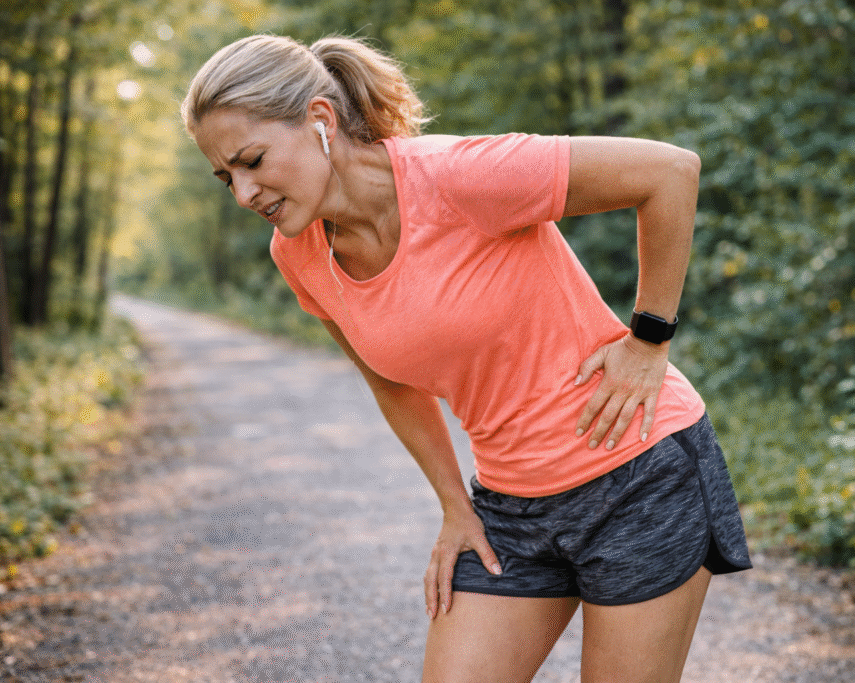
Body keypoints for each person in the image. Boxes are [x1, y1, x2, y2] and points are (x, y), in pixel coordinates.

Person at [181, 33, 751, 683]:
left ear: (320, 120)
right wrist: (454, 502)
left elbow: (669, 172)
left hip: (638, 472)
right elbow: (391, 384)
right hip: (509, 504)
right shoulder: (299, 253)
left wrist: (648, 341)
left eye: (252, 160)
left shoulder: (459, 175)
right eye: (228, 176)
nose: (244, 193)